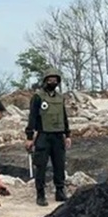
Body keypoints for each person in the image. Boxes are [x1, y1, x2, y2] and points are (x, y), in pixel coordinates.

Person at [25, 67, 71, 206]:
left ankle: (60, 191)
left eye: (55, 80)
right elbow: (32, 116)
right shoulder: (38, 97)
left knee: (59, 164)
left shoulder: (60, 98)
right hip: (43, 135)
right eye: (50, 79)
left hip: (58, 136)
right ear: (45, 81)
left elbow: (64, 116)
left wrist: (67, 134)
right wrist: (29, 136)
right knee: (41, 166)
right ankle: (40, 194)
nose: (53, 82)